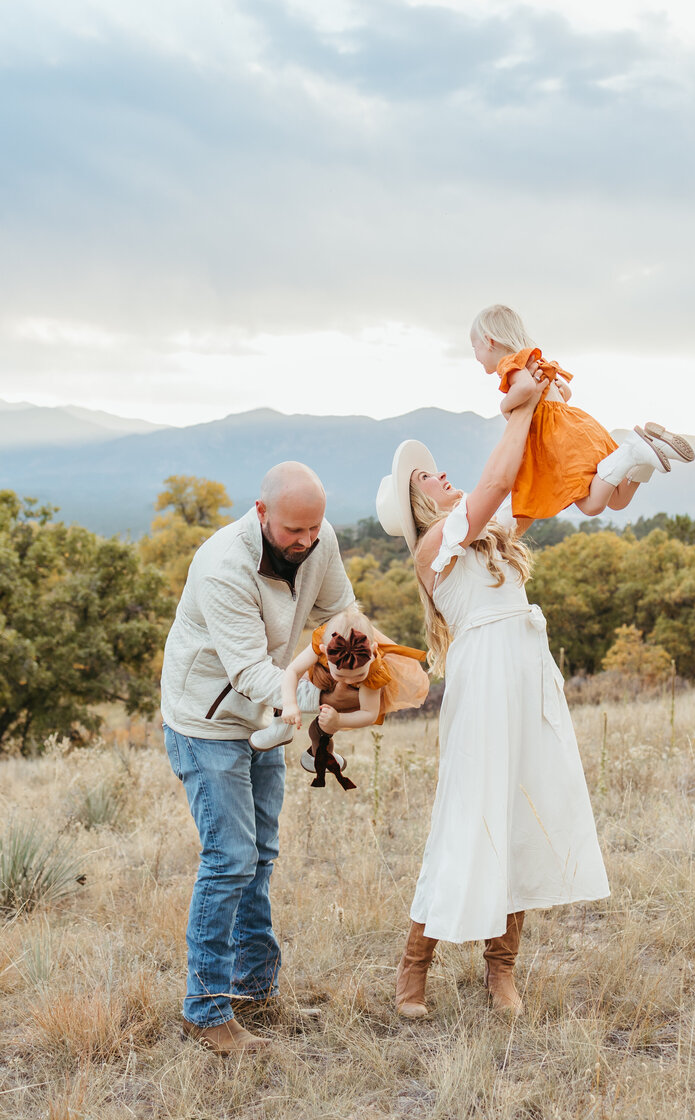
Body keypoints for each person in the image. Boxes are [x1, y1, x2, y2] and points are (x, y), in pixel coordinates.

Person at [375, 388, 610, 1017]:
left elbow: (530, 489)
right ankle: (413, 971)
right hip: (483, 682)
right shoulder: (434, 550)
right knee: (467, 815)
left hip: (527, 672)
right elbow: (500, 475)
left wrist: (593, 462)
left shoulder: (487, 537)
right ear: (419, 503)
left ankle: (500, 970)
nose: (442, 474)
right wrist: (519, 409)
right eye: (428, 476)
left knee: (520, 812)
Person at [160, 461, 355, 1054]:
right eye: (294, 531)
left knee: (261, 855)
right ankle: (207, 1010)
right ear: (262, 513)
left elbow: (341, 612)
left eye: (314, 529)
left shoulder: (317, 540)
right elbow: (247, 672)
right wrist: (304, 695)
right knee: (230, 858)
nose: (307, 541)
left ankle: (254, 985)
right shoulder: (223, 563)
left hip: (267, 714)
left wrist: (361, 661)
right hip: (209, 720)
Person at [471, 303, 695, 529]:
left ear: (490, 342)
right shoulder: (536, 361)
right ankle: (647, 454)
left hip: (560, 439)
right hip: (578, 426)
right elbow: (565, 393)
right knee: (618, 501)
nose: (476, 356)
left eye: (475, 348)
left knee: (591, 505)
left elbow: (527, 388)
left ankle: (633, 449)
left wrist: (505, 406)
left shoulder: (510, 363)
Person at [253, 605, 428, 790]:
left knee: (318, 730)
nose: (348, 680)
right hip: (319, 676)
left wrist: (338, 720)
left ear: (373, 650)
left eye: (357, 675)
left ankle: (323, 753)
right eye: (342, 675)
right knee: (290, 685)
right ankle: (280, 726)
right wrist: (289, 704)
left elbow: (369, 713)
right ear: (324, 650)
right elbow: (293, 671)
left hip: (352, 699)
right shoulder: (322, 643)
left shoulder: (373, 671)